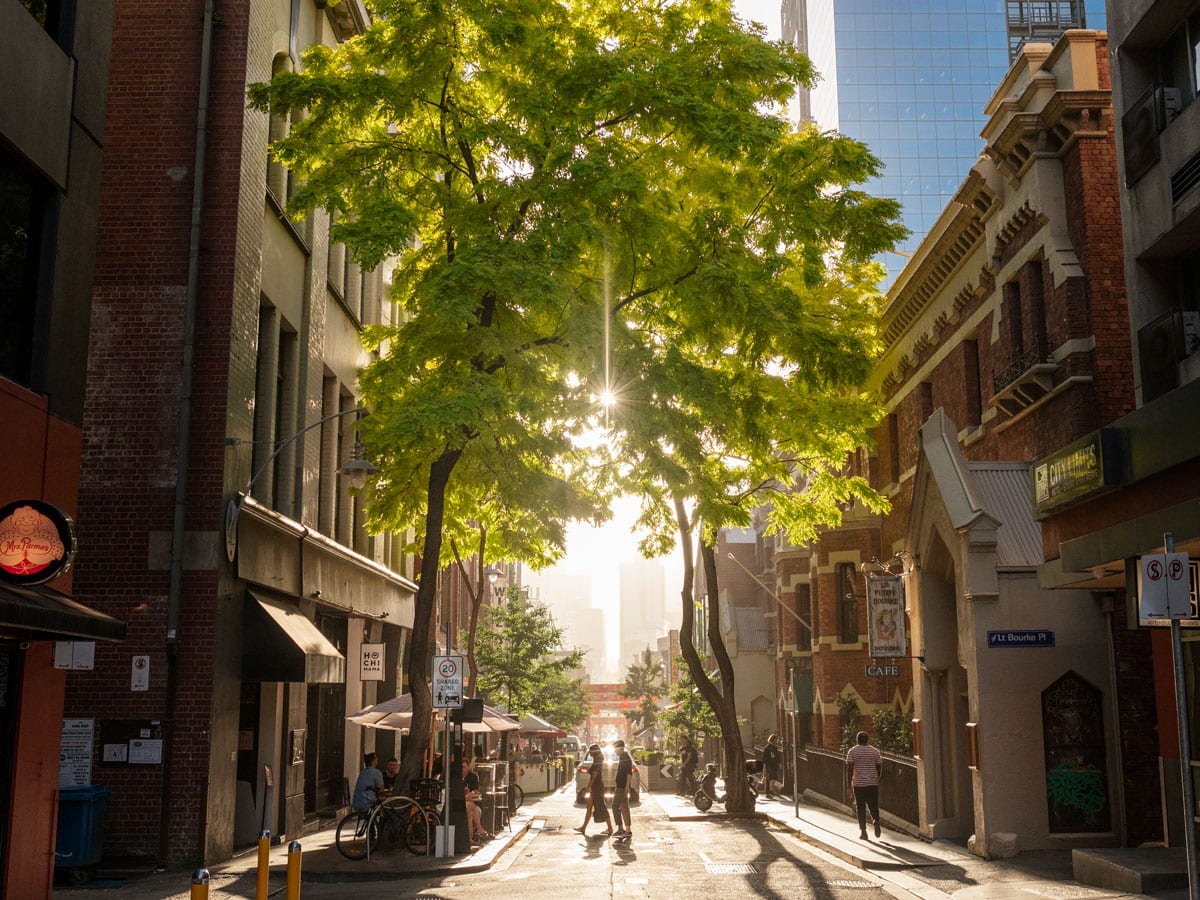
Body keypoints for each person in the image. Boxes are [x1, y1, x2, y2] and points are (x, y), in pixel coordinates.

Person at [845, 730, 883, 839]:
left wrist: (849, 785)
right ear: (867, 740)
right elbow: (879, 766)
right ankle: (875, 820)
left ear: (857, 740)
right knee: (874, 805)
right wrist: (877, 778)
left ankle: (863, 832)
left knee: (860, 808)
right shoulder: (875, 751)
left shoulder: (852, 751)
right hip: (872, 784)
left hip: (858, 784)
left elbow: (849, 769)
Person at [574, 744, 613, 836]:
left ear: (594, 752)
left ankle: (610, 828)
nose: (590, 752)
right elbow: (592, 774)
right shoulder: (597, 761)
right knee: (589, 807)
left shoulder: (597, 762)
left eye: (591, 751)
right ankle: (583, 828)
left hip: (597, 788)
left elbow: (594, 777)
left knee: (601, 806)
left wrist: (587, 788)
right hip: (595, 787)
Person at [462, 757, 490, 845]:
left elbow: (476, 790)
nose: (462, 769)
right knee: (471, 806)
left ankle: (470, 839)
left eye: (463, 767)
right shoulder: (456, 778)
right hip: (461, 803)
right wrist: (466, 797)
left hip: (470, 802)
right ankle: (479, 828)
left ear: (468, 767)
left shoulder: (473, 777)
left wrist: (472, 792)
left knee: (470, 812)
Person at [611, 739, 633, 841]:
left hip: (622, 787)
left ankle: (620, 828)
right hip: (621, 786)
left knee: (615, 806)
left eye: (615, 750)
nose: (615, 752)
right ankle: (627, 831)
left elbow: (629, 773)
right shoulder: (623, 757)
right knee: (624, 808)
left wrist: (627, 786)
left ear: (620, 748)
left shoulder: (626, 758)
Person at [761, 734, 783, 799]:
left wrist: (779, 763)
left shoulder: (775, 748)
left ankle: (769, 793)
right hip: (769, 765)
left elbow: (777, 757)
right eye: (776, 739)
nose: (777, 741)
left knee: (771, 778)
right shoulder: (767, 748)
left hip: (774, 765)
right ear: (772, 739)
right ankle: (771, 791)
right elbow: (764, 759)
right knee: (771, 778)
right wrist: (764, 767)